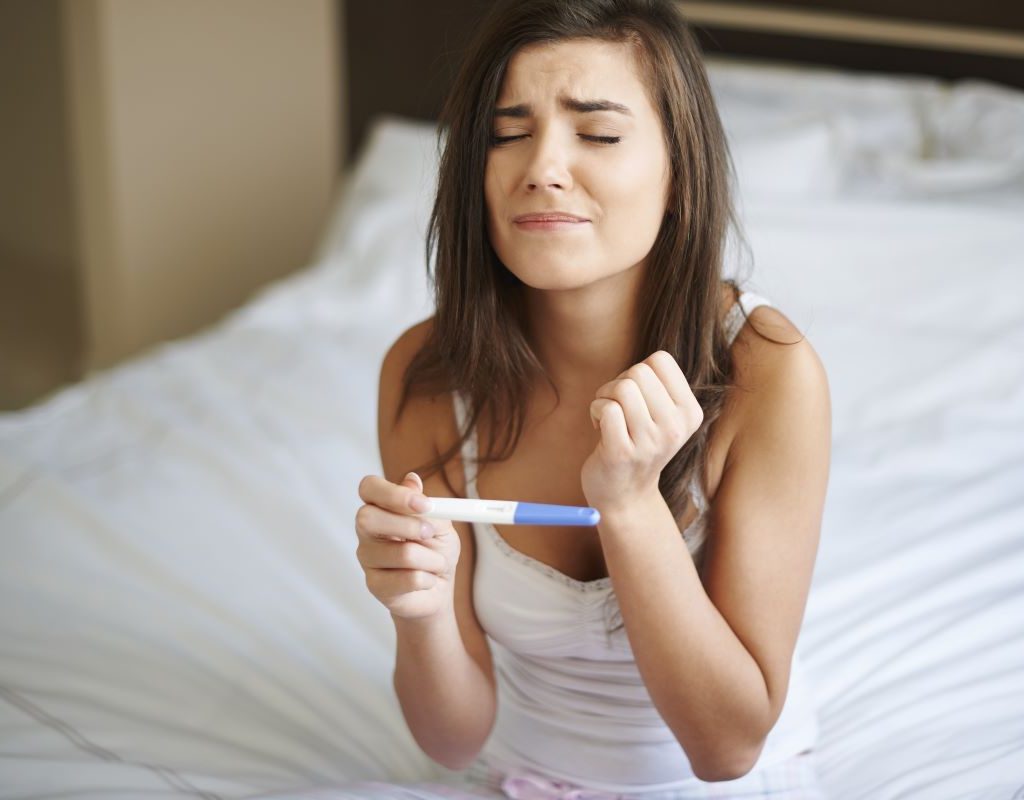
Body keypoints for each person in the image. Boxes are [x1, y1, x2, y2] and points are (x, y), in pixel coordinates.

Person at [352, 0, 831, 797]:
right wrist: (419, 608)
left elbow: (726, 749)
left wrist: (632, 502)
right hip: (513, 771)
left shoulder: (770, 374)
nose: (542, 166)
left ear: (681, 174)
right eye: (508, 133)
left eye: (598, 133)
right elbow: (449, 736)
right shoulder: (426, 373)